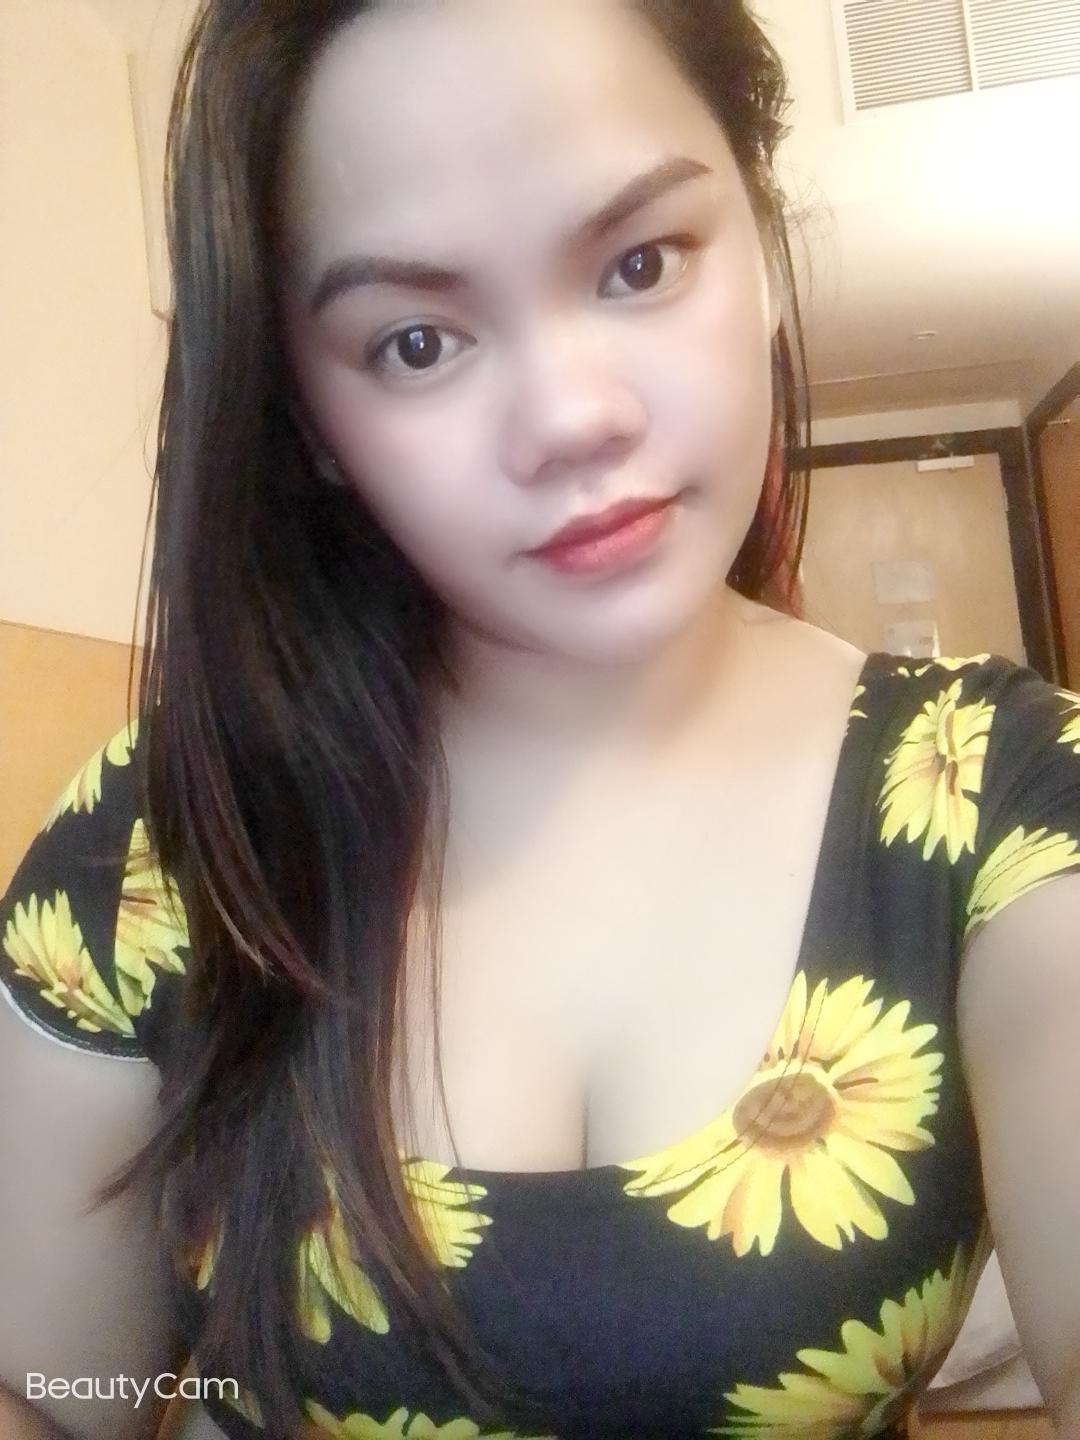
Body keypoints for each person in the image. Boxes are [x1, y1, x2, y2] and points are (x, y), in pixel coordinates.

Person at [1, 2, 1078, 1438]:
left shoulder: (1001, 803)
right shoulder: (163, 843)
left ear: (763, 241)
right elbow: (53, 1395)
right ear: (310, 420)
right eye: (417, 343)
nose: (570, 418)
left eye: (642, 263)